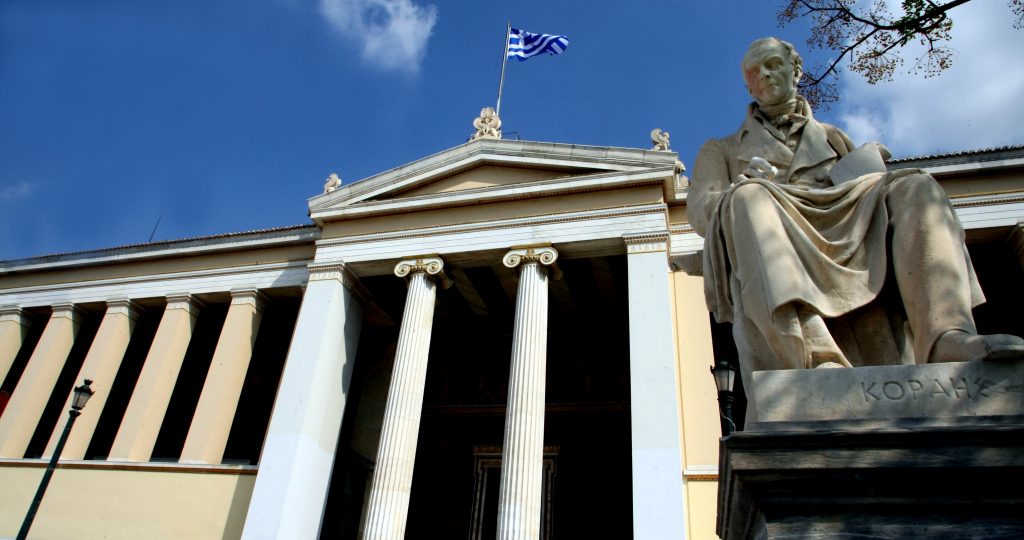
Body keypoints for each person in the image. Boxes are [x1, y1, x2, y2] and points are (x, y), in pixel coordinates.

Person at [689, 37, 1024, 380]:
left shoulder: (832, 136)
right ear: (748, 86)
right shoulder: (722, 149)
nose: (764, 75)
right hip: (775, 227)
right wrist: (741, 184)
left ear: (796, 70)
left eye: (773, 64)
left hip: (843, 223)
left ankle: (944, 335)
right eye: (754, 72)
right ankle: (815, 356)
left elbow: (858, 184)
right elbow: (700, 209)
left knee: (916, 185)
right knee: (748, 198)